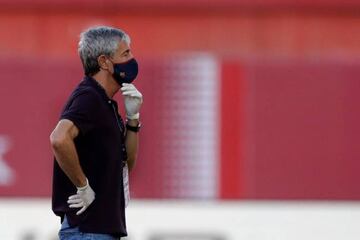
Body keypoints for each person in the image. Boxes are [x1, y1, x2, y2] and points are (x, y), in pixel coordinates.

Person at [50, 26, 143, 240]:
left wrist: (133, 119)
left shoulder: (105, 103)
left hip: (99, 229)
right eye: (125, 53)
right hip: (88, 229)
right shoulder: (89, 97)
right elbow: (59, 138)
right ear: (104, 62)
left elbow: (126, 164)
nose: (132, 60)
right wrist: (82, 185)